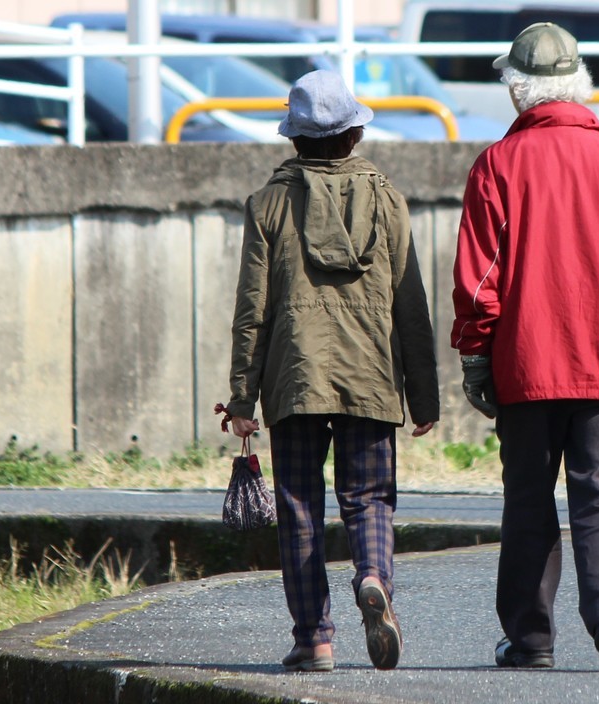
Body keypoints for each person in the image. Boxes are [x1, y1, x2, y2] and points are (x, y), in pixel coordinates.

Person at [451, 23, 599, 672]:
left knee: (528, 497)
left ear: (519, 91)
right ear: (579, 86)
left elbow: (479, 280)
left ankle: (530, 638)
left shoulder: (497, 165)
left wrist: (475, 356)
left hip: (527, 364)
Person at [223, 70, 440, 673]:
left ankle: (314, 638)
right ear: (352, 136)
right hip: (370, 376)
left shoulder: (268, 203)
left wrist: (243, 396)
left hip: (294, 380)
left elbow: (252, 309)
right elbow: (410, 302)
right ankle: (373, 577)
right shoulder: (387, 198)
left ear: (294, 140)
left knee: (298, 505)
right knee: (369, 499)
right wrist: (424, 396)